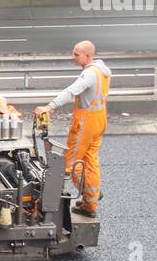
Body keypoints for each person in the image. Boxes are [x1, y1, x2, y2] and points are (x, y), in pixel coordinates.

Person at [34, 40, 112, 217]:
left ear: (87, 55)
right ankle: (90, 204)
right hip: (99, 121)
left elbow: (71, 91)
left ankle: (87, 194)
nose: (73, 57)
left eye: (76, 54)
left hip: (86, 123)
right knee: (91, 162)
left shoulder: (90, 74)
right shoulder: (103, 71)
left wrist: (49, 106)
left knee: (69, 164)